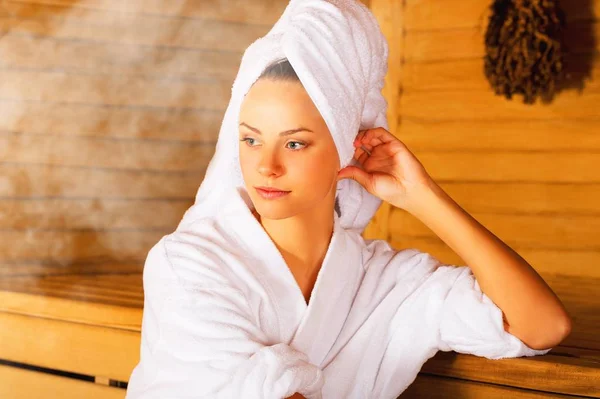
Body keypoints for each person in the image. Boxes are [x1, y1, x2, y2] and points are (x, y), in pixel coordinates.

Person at [125, 2, 572, 398]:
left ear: (347, 148)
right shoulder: (188, 264)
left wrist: (423, 197)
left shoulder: (382, 282)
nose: (267, 166)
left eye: (295, 143)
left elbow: (542, 326)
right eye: (251, 140)